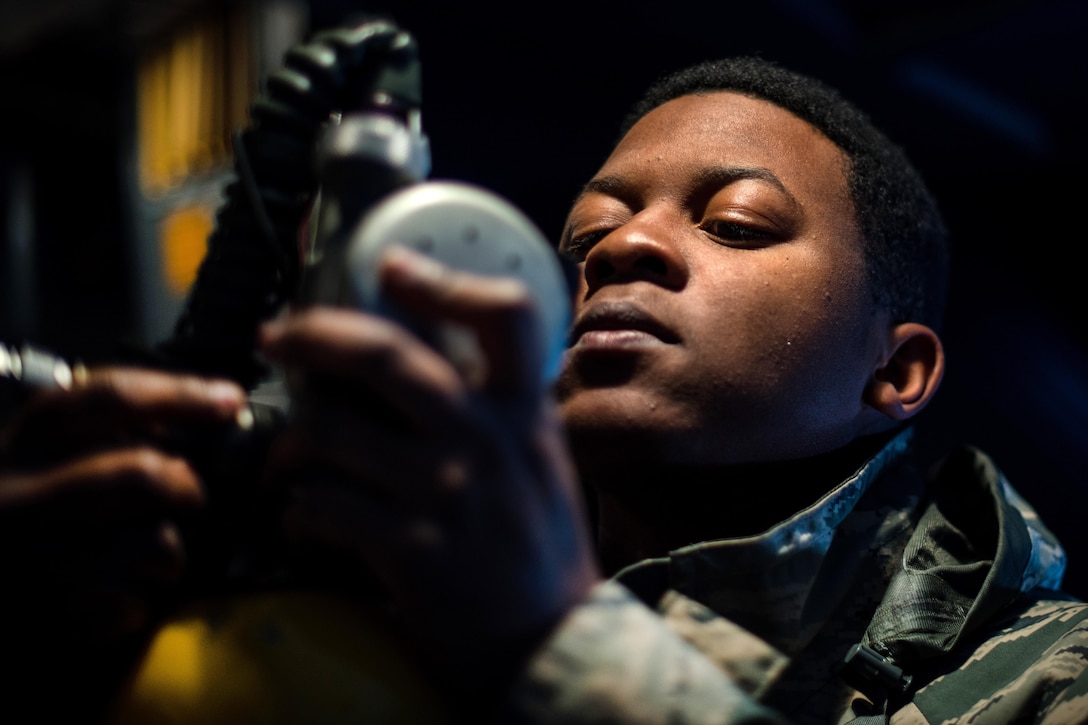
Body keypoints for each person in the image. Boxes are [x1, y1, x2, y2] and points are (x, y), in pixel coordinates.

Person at [2, 51, 1086, 724]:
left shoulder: (1050, 673)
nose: (623, 249)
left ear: (893, 370)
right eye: (588, 236)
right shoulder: (372, 602)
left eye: (735, 224)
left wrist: (553, 642)